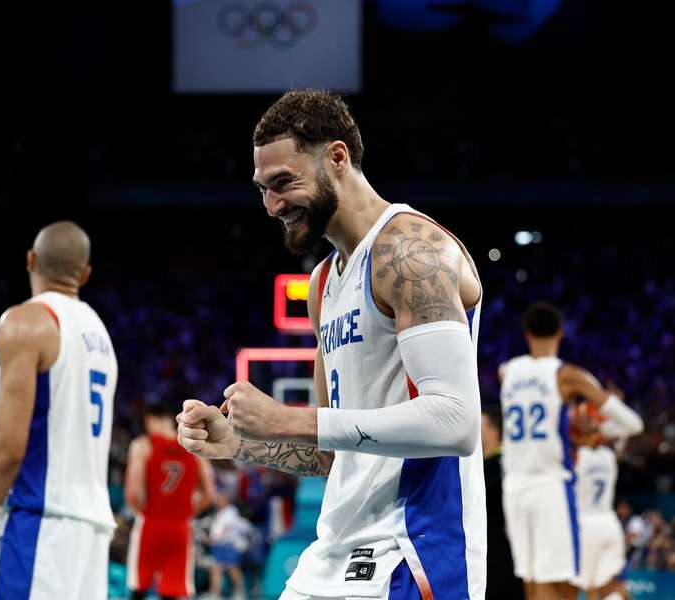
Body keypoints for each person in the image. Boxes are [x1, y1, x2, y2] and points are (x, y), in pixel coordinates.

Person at [176, 89, 486, 599]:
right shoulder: (323, 285)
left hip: (411, 554)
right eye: (262, 189)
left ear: (337, 157)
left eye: (283, 183)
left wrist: (286, 418)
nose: (272, 205)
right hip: (332, 550)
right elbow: (330, 455)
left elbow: (457, 422)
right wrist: (239, 444)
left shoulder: (410, 251)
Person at [0, 221, 118, 599]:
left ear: (30, 260)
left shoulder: (25, 323)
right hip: (92, 535)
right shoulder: (99, 334)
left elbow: (8, 451)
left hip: (40, 526)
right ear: (85, 274)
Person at [498, 302, 639, 600]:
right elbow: (632, 424)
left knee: (532, 578)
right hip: (549, 485)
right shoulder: (566, 375)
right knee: (560, 585)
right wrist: (599, 423)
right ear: (561, 334)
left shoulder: (508, 371)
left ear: (526, 335)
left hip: (513, 488)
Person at [125, 402, 216, 600]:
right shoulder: (193, 447)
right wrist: (186, 513)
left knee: (138, 586)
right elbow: (209, 493)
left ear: (149, 420)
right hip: (180, 526)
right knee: (173, 590)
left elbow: (133, 493)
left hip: (150, 522)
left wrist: (145, 512)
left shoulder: (143, 445)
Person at [569, 393, 643, 600]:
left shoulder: (575, 455)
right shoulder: (610, 455)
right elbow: (632, 426)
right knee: (613, 588)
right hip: (608, 523)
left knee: (586, 589)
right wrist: (611, 404)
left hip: (583, 524)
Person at [481, 408, 524, 600]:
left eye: (480, 427)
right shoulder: (505, 464)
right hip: (500, 552)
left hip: (499, 553)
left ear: (495, 432)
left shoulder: (497, 467)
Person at [207, 494, 254, 599]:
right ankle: (215, 593)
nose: (217, 501)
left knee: (233, 569)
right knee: (216, 569)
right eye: (218, 499)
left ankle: (240, 592)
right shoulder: (220, 513)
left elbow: (220, 531)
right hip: (219, 546)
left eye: (220, 499)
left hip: (230, 546)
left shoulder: (231, 513)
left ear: (226, 501)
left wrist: (212, 539)